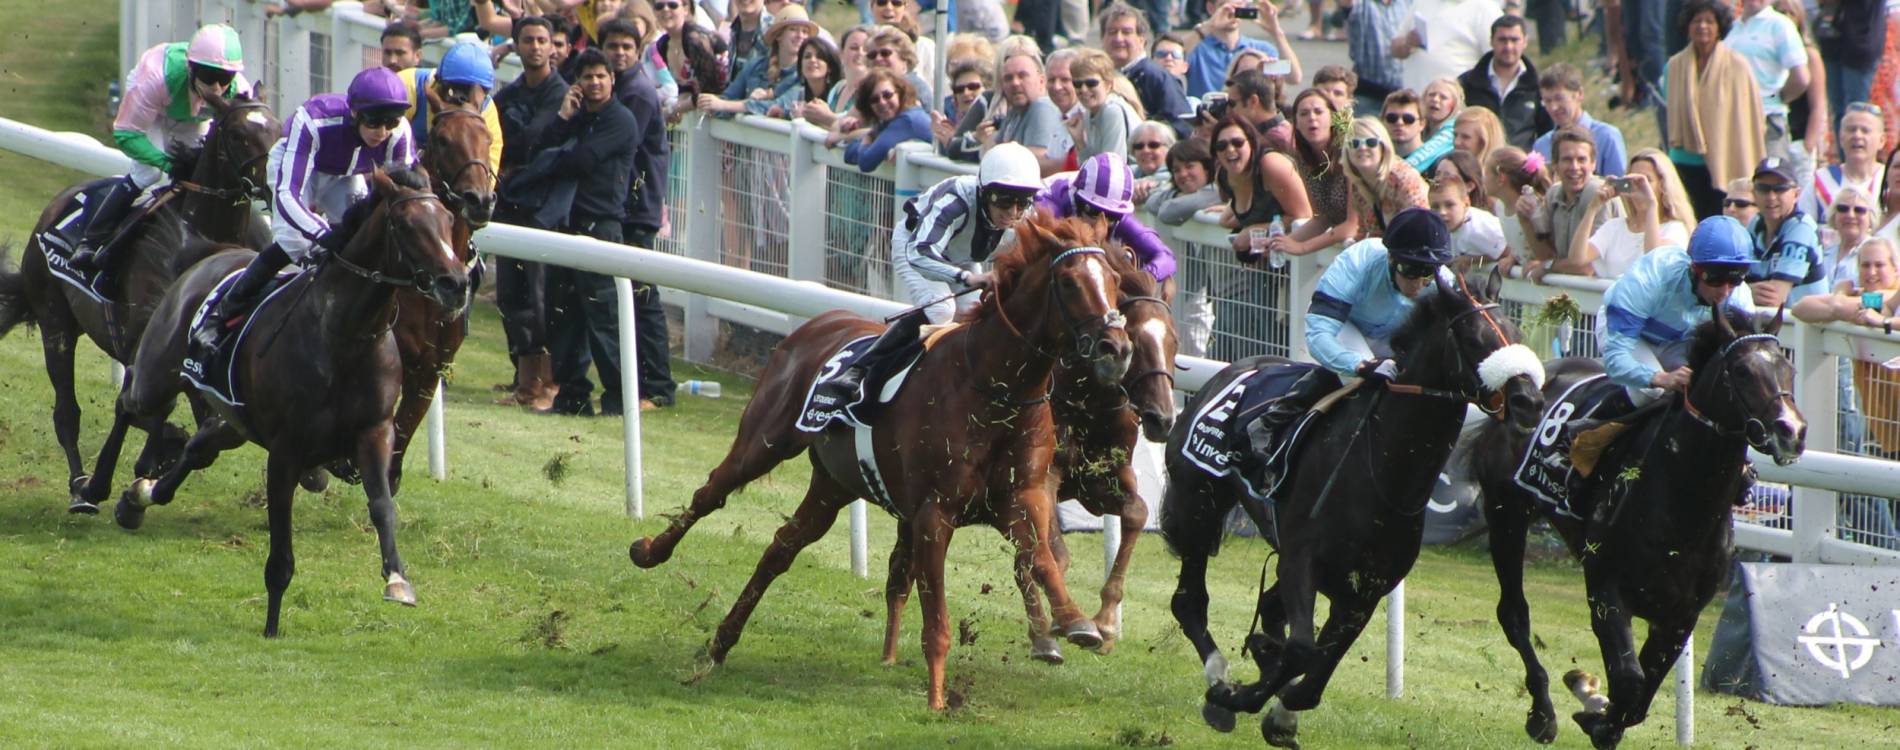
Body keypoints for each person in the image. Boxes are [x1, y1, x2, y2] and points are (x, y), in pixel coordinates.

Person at [197, 67, 417, 344]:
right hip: (298, 169)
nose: (382, 132)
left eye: (392, 122)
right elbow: (287, 194)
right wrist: (322, 233)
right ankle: (223, 313)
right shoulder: (314, 119)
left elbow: (402, 194)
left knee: (362, 238)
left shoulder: (399, 134)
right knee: (295, 242)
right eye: (374, 122)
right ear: (355, 113)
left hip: (345, 176)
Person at [835, 143, 1042, 392]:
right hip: (915, 246)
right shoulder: (956, 200)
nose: (1013, 213)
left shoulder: (1027, 215)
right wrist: (966, 278)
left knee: (974, 313)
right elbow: (921, 252)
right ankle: (862, 368)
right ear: (985, 192)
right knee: (942, 308)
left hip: (960, 254)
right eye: (1005, 203)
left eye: (1021, 204)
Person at [70, 24, 252, 273]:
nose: (218, 88)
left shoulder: (240, 90)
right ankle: (90, 242)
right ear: (192, 68)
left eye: (224, 78)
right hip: (152, 110)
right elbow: (125, 133)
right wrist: (166, 162)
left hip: (189, 116)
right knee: (149, 174)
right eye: (209, 77)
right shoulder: (156, 79)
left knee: (198, 177)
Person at [1260, 208, 1458, 428]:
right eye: (1410, 270)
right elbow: (1319, 334)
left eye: (1428, 272)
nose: (1419, 283)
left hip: (1396, 339)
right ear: (1391, 257)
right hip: (1347, 327)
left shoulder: (1444, 283)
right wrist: (1359, 365)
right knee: (1366, 381)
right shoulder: (1358, 261)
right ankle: (1274, 421)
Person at [532, 49, 642, 416]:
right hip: (567, 228)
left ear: (612, 79)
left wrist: (553, 162)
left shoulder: (621, 120)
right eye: (587, 77)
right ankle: (572, 396)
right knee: (563, 318)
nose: (594, 83)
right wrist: (564, 118)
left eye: (600, 76)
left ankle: (618, 399)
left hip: (602, 229)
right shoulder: (577, 117)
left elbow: (581, 160)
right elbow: (542, 146)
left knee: (605, 321)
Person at [493, 15, 572, 410]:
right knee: (511, 294)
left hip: (545, 209)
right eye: (529, 40)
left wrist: (514, 158)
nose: (537, 47)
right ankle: (525, 381)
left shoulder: (561, 93)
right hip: (509, 204)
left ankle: (545, 384)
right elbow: (496, 140)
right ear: (518, 45)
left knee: (541, 299)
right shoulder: (507, 95)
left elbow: (534, 144)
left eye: (543, 40)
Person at [1597, 215, 1758, 407]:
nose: (1724, 291)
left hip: (1678, 341)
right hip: (1630, 334)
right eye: (1714, 279)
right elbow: (1616, 360)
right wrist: (1661, 377)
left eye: (1735, 279)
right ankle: (1602, 429)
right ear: (1694, 268)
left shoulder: (1739, 298)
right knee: (1650, 392)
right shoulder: (1652, 277)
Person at [610, 20, 678, 412]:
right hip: (633, 206)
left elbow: (621, 145)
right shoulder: (623, 85)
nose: (620, 52)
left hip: (638, 209)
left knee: (644, 298)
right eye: (613, 46)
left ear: (638, 50)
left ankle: (659, 387)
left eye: (626, 47)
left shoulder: (635, 91)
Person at [1667, 0, 1766, 220]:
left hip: (1726, 157)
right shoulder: (1674, 66)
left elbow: (1749, 116)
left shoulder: (1737, 65)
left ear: (1719, 27)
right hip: (1685, 158)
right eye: (1697, 21)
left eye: (1709, 21)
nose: (1703, 26)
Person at [1037, 153, 1178, 285]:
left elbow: (1165, 256)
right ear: (1078, 200)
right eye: (1094, 211)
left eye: (1111, 216)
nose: (1101, 222)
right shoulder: (1052, 203)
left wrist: (1141, 279)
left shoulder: (1120, 214)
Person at [1211, 115, 1313, 265]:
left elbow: (1303, 215)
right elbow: (1233, 218)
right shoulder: (1225, 175)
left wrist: (1254, 230)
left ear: (1251, 143)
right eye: (1221, 146)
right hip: (1269, 258)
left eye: (1237, 142)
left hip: (1305, 254)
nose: (1230, 149)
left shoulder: (1271, 164)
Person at [1582, 149, 1696, 280]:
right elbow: (1578, 258)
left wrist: (1651, 206)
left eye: (1647, 180)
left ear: (1663, 185)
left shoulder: (1675, 229)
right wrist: (1592, 208)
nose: (1640, 187)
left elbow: (1653, 262)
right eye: (1633, 181)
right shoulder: (1614, 226)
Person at [1725, 0, 1809, 166]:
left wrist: (1775, 98)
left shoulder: (1779, 25)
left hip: (1767, 121)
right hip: (1732, 121)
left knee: (1773, 180)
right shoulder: (1732, 28)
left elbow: (1801, 77)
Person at [396, 42, 504, 167]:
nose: (460, 102)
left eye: (468, 93)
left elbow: (486, 179)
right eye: (454, 90)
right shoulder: (406, 86)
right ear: (438, 82)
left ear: (483, 94)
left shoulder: (487, 113)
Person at [1098, 4, 1192, 138]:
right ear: (1103, 38)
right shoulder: (1099, 77)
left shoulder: (1156, 76)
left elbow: (1182, 126)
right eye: (1112, 32)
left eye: (1126, 32)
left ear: (1141, 40)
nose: (1118, 38)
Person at [1458, 15, 1550, 151]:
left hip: (1520, 166)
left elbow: (1547, 133)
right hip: (1476, 164)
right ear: (1491, 42)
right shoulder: (1468, 82)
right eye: (1502, 40)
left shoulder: (1539, 86)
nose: (1508, 46)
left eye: (1514, 40)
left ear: (1525, 42)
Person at [1746, 156, 1828, 307]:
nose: (1771, 197)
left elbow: (1774, 298)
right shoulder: (1755, 223)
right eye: (1763, 189)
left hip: (1805, 327)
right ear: (1753, 193)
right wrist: (1746, 291)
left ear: (1796, 194)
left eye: (1780, 189)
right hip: (1774, 325)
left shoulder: (1802, 228)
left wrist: (1742, 292)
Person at [980, 50, 1069, 177]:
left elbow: (1034, 163)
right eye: (1008, 78)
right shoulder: (1014, 111)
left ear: (1041, 81)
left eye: (1023, 76)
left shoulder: (1042, 107)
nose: (1015, 83)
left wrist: (989, 143)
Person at [1531, 63, 1627, 178]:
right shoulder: (1542, 145)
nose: (1553, 107)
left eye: (1559, 98)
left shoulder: (1606, 137)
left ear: (1579, 94)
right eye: (1547, 101)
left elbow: (1619, 186)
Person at [1342, 116, 1430, 238]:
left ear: (1383, 147)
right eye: (1354, 143)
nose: (1362, 148)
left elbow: (1422, 226)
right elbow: (1365, 234)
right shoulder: (1358, 186)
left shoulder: (1403, 178)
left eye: (1371, 142)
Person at [1188, 0, 1294, 98]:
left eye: (1237, 7)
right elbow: (1176, 52)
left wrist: (1277, 33)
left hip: (1251, 114)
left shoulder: (1260, 49)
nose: (1231, 13)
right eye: (1224, 7)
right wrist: (1209, 26)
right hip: (1207, 113)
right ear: (1210, 8)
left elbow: (1293, 77)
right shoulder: (1197, 48)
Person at [1392, 0, 1503, 94]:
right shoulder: (1422, 2)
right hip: (1414, 102)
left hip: (1457, 104)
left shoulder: (1485, 9)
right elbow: (1394, 48)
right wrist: (1407, 43)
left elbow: (1499, 59)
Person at [1799, 104, 1886, 221]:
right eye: (1851, 129)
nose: (1857, 135)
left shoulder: (1889, 181)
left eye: (1865, 131)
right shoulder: (1820, 181)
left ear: (1881, 140)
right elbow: (1804, 227)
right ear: (1840, 137)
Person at [833, 71, 931, 172]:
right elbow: (849, 155)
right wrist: (869, 141)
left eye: (887, 95)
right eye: (874, 99)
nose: (882, 102)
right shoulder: (887, 122)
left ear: (900, 93)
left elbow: (866, 163)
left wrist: (868, 137)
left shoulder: (907, 120)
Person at [1814, 0, 1883, 135]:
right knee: (1839, 112)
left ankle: (1861, 154)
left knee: (1857, 113)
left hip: (1860, 42)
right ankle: (1843, 155)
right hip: (1831, 42)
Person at [1065, 49, 1145, 163]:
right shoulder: (1089, 112)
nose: (1083, 89)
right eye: (1077, 84)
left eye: (1091, 83)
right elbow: (1093, 167)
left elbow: (1112, 167)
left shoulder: (1112, 111)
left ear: (1108, 85)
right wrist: (1079, 141)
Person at [1430, 179, 1510, 270]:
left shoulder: (1478, 228)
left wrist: (1471, 260)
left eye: (1449, 205)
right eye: (1435, 207)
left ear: (1466, 203)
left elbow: (1508, 252)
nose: (1442, 212)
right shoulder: (1445, 228)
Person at [805, 24, 873, 129]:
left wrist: (827, 117)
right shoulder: (838, 88)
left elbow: (864, 128)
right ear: (841, 53)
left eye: (866, 49)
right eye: (854, 48)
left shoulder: (872, 91)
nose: (860, 53)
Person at [1820, 187, 1881, 289]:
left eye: (1859, 210)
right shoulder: (1824, 253)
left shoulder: (1880, 253)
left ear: (1871, 218)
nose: (1850, 215)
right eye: (1843, 209)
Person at [1452, 106, 1508, 174]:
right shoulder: (1446, 168)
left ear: (1484, 142)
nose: (1456, 142)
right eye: (1455, 135)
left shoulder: (1499, 177)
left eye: (1465, 137)